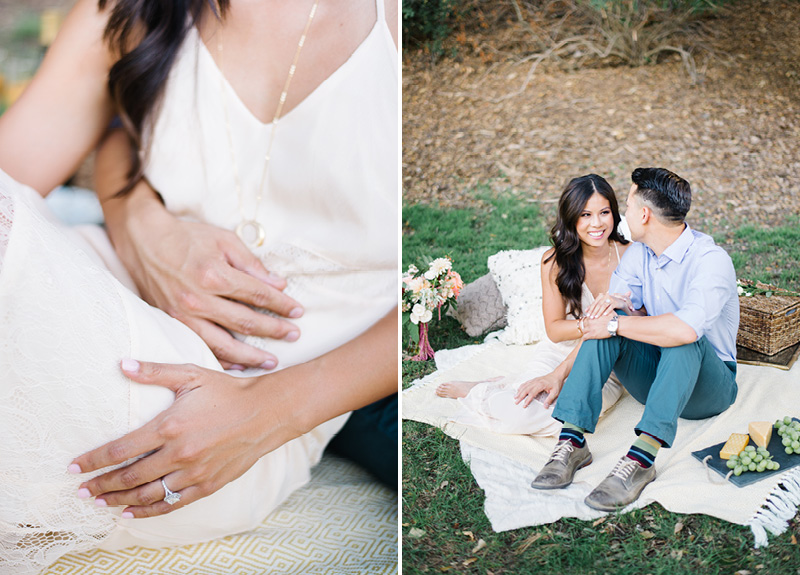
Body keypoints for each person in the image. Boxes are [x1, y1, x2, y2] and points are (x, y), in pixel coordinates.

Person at [0, 0, 398, 572]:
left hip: (219, 404)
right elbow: (19, 171)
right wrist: (142, 223)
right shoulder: (129, 10)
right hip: (92, 281)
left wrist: (271, 411)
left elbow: (429, 291)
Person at [531, 167, 739, 512]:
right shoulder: (639, 255)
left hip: (709, 388)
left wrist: (614, 326)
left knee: (680, 336)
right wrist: (611, 315)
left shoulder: (711, 261)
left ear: (643, 214)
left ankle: (641, 460)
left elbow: (685, 330)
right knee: (608, 318)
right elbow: (608, 319)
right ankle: (571, 440)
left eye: (624, 206)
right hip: (654, 378)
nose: (620, 215)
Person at [435, 174, 629, 435]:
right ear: (571, 217)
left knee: (566, 416)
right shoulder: (554, 262)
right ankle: (488, 389)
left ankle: (500, 387)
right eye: (585, 215)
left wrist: (607, 327)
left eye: (604, 212)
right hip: (559, 352)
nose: (596, 223)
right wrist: (593, 325)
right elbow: (555, 330)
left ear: (614, 213)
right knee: (520, 409)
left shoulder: (630, 254)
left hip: (607, 361)